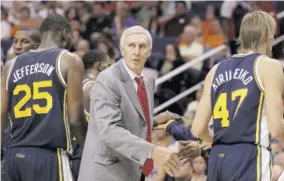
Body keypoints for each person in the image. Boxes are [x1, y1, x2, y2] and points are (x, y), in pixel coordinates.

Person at [78, 26, 184, 181]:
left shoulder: (147, 81)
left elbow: (130, 121)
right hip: (107, 173)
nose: (136, 51)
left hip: (134, 170)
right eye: (131, 45)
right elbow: (109, 130)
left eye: (142, 46)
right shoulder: (107, 79)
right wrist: (152, 151)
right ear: (122, 50)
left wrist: (152, 121)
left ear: (149, 52)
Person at [191, 11, 284, 181]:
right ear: (265, 35)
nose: (273, 40)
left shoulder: (215, 70)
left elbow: (197, 128)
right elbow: (276, 127)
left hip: (217, 158)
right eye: (272, 34)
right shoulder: (269, 66)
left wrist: (220, 142)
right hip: (249, 157)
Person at [1, 14, 87, 181]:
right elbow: (76, 118)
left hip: (13, 157)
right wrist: (88, 147)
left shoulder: (10, 65)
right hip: (49, 156)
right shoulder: (69, 60)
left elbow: (0, 116)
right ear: (65, 34)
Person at [70, 50, 112, 180]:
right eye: (109, 66)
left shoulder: (73, 88)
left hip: (73, 153)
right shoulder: (95, 88)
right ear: (99, 66)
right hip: (89, 153)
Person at [1, 26, 41, 160]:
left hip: (35, 143)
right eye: (15, 41)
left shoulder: (10, 69)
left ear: (37, 46)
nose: (17, 46)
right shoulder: (8, 69)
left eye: (24, 42)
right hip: (15, 141)